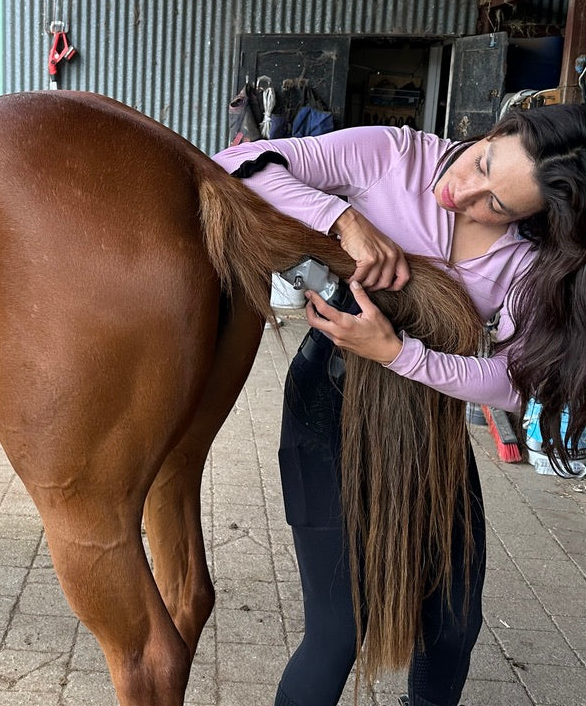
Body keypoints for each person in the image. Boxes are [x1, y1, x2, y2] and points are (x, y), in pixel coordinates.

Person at [211, 102, 586, 706]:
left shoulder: (531, 262)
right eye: (483, 163)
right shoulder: (394, 155)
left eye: (498, 204)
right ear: (495, 131)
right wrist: (342, 219)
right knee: (338, 632)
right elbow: (237, 164)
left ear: (540, 218)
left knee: (455, 627)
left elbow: (515, 381)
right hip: (326, 407)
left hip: (427, 423)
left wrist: (400, 356)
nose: (463, 194)